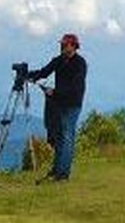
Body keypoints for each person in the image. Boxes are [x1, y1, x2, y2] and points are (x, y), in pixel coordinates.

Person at [27, 33, 87, 183]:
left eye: (65, 45)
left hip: (72, 104)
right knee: (60, 137)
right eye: (61, 44)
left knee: (67, 138)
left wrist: (54, 92)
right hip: (59, 103)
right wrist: (27, 75)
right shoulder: (59, 60)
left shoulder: (80, 63)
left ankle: (63, 174)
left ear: (73, 46)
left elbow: (76, 87)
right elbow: (44, 72)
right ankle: (56, 170)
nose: (62, 47)